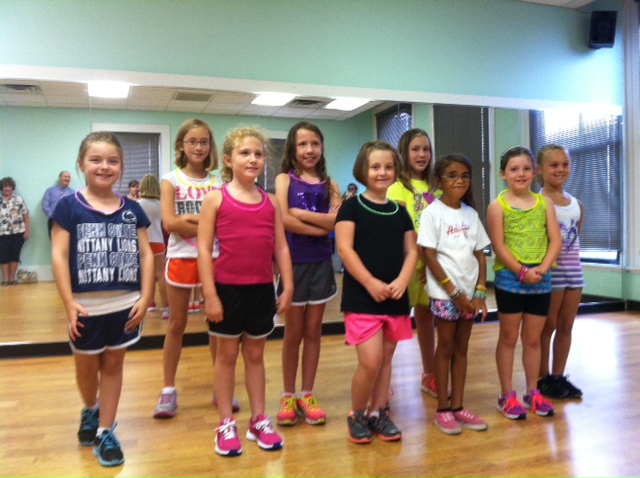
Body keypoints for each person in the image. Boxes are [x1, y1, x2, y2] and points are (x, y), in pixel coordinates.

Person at [50, 131, 154, 467]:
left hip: (125, 305)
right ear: (81, 164)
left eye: (113, 160)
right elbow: (58, 256)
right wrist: (69, 303)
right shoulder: (68, 207)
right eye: (96, 159)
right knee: (86, 368)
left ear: (121, 166)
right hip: (85, 307)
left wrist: (147, 296)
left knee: (113, 366)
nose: (104, 166)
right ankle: (90, 409)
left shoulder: (133, 209)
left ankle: (106, 431)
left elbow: (146, 255)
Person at [198, 127, 293, 456]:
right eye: (245, 153)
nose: (253, 159)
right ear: (228, 160)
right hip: (227, 291)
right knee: (226, 357)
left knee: (255, 356)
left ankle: (258, 420)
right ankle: (226, 423)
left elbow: (281, 248)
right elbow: (203, 249)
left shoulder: (271, 202)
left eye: (258, 154)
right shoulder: (216, 199)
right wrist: (210, 295)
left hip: (262, 290)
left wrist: (288, 284)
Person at [335, 140, 417, 444]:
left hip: (395, 298)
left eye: (388, 167)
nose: (382, 172)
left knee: (385, 360)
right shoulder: (351, 207)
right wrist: (370, 282)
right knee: (370, 362)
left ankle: (377, 412)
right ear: (363, 170)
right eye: (375, 167)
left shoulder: (400, 211)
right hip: (362, 298)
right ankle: (357, 413)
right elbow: (345, 249)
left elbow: (412, 251)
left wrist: (403, 280)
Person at [153, 118, 224, 418]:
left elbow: (224, 224)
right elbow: (170, 223)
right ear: (181, 145)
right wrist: (205, 222)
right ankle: (168, 389)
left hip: (216, 258)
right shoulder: (170, 180)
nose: (198, 147)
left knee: (217, 326)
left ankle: (221, 386)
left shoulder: (219, 183)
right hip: (180, 258)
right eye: (192, 141)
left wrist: (191, 222)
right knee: (176, 324)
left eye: (204, 141)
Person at [487, 145, 562, 420]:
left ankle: (533, 392)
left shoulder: (545, 204)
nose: (521, 174)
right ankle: (506, 395)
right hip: (511, 281)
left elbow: (555, 240)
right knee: (508, 338)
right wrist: (521, 272)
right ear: (503, 174)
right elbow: (499, 245)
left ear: (534, 172)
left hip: (541, 280)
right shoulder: (497, 206)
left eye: (526, 168)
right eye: (514, 169)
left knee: (532, 340)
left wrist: (542, 268)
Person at [418, 154, 490, 435]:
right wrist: (454, 291)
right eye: (452, 175)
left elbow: (480, 255)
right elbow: (429, 255)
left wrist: (480, 291)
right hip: (445, 294)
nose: (459, 180)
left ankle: (458, 406)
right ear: (439, 181)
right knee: (445, 346)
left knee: (462, 348)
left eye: (464, 176)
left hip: (469, 296)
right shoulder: (432, 213)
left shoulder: (471, 214)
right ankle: (443, 409)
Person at [274, 121, 341, 426]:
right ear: (293, 148)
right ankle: (288, 395)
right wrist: (320, 226)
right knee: (293, 333)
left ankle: (307, 394)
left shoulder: (331, 185)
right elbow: (284, 220)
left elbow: (337, 222)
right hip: (294, 264)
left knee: (313, 332)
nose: (309, 149)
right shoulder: (283, 180)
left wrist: (301, 214)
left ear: (322, 147)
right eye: (303, 144)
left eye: (314, 143)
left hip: (321, 264)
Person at [387, 128, 439, 396]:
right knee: (395, 324)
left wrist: (434, 260)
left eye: (426, 149)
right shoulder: (396, 187)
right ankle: (382, 382)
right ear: (404, 153)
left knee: (427, 321)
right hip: (407, 266)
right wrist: (426, 254)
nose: (422, 154)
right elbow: (402, 230)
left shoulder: (437, 188)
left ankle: (429, 374)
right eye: (415, 149)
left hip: (433, 267)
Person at [536, 144, 585, 399]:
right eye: (554, 165)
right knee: (548, 326)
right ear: (540, 170)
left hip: (574, 273)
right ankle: (542, 378)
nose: (560, 169)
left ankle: (558, 376)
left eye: (565, 164)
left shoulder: (577, 204)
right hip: (550, 273)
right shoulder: (537, 203)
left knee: (566, 325)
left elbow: (575, 237)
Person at [138, 174, 169, 319]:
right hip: (158, 241)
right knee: (161, 275)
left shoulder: (138, 204)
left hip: (143, 243)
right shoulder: (161, 204)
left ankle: (150, 303)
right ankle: (166, 308)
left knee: (147, 274)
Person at [0, 177, 30, 285]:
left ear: (12, 187)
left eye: (9, 186)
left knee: (14, 255)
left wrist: (27, 231)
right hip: (2, 233)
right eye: (5, 186)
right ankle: (5, 279)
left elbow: (26, 215)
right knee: (3, 256)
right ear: (2, 188)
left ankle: (12, 278)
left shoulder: (19, 199)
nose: (7, 188)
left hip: (18, 232)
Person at [42, 171, 74, 237]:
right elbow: (45, 206)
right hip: (53, 221)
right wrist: (53, 217)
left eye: (69, 177)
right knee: (55, 241)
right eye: (65, 176)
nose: (67, 178)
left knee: (68, 241)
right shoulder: (50, 191)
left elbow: (74, 208)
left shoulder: (73, 193)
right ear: (60, 178)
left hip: (68, 222)